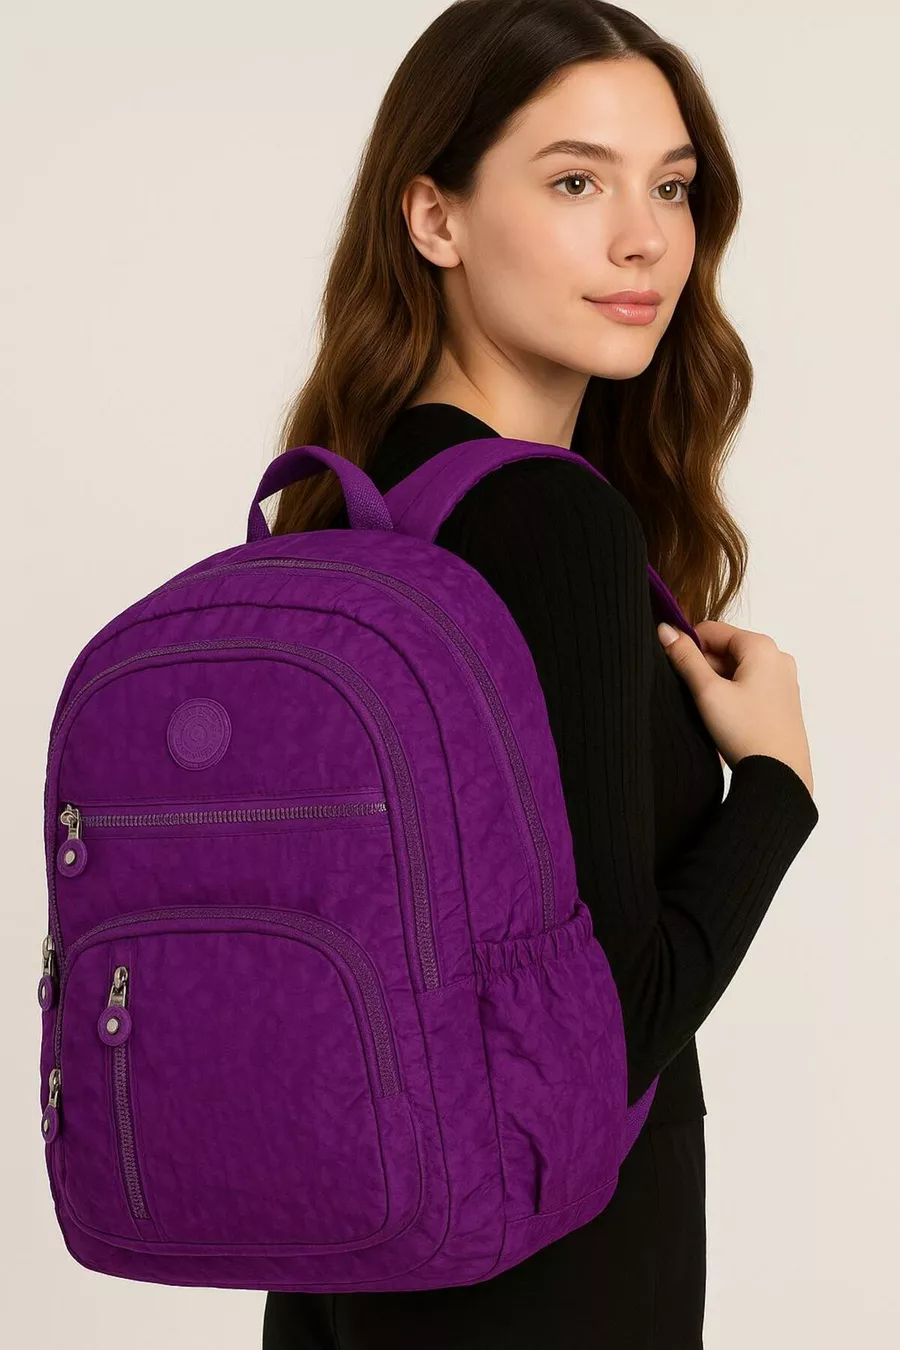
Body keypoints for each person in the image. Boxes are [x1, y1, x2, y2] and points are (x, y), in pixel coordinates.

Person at [261, 2, 819, 1345]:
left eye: (671, 187)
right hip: (554, 1269)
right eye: (576, 182)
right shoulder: (552, 522)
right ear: (434, 217)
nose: (646, 240)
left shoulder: (347, 504)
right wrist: (776, 784)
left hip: (344, 1251)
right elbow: (606, 1035)